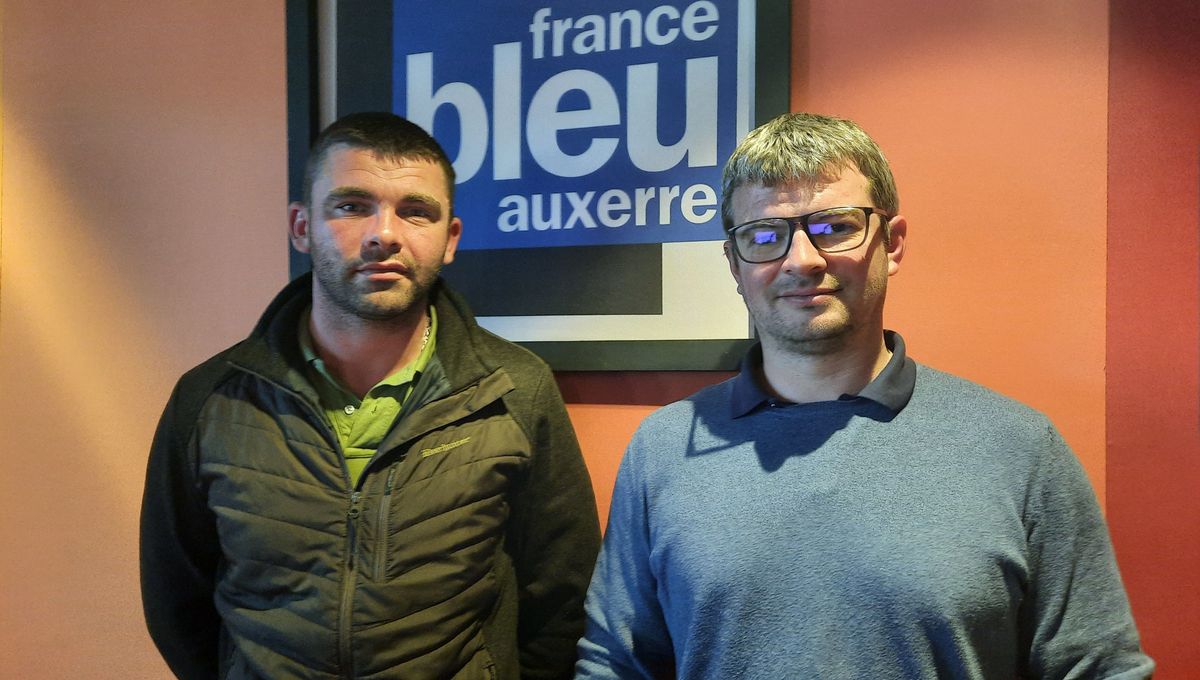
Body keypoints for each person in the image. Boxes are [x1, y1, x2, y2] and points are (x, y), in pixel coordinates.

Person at [575, 113, 1152, 678]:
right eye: (765, 236)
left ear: (892, 243)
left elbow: (1100, 668)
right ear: (734, 263)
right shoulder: (664, 448)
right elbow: (617, 663)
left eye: (835, 226)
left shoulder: (1019, 448)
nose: (801, 260)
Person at [140, 112, 600, 679]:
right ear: (302, 225)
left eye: (415, 211)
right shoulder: (210, 400)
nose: (385, 233)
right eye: (352, 206)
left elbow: (560, 599)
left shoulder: (515, 390)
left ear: (449, 238)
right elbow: (177, 602)